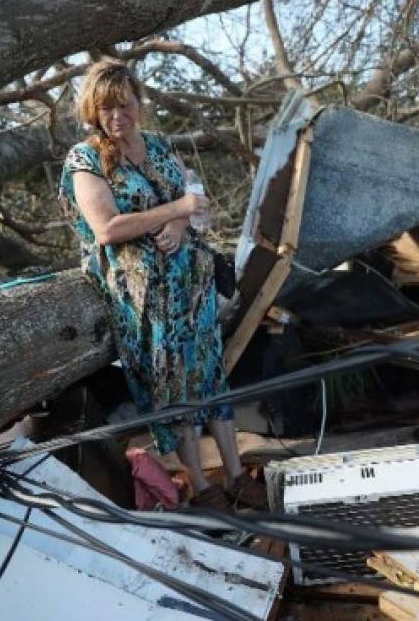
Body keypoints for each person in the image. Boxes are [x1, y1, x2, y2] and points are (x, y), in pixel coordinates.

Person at [58, 58, 266, 511]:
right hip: (144, 300)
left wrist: (183, 220)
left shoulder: (158, 145)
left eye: (125, 105)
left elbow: (200, 207)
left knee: (210, 378)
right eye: (106, 108)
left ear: (139, 103)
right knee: (173, 388)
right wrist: (175, 210)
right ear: (94, 111)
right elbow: (108, 229)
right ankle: (201, 485)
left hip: (191, 288)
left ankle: (234, 477)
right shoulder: (85, 158)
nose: (117, 117)